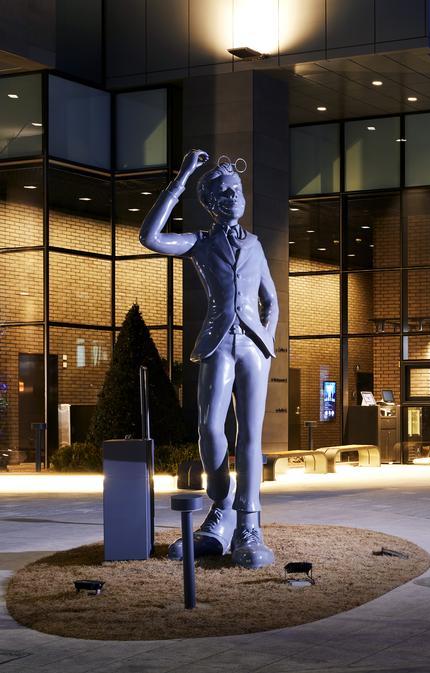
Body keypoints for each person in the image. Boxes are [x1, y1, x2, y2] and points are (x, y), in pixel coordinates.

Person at [139, 149, 278, 569]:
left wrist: (266, 339)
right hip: (217, 343)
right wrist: (181, 179)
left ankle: (249, 523)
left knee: (250, 435)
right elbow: (150, 238)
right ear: (211, 203)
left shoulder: (254, 244)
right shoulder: (200, 243)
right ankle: (221, 509)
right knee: (209, 426)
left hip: (253, 348)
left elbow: (271, 300)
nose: (235, 197)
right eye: (225, 192)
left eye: (238, 190)